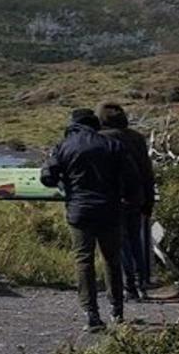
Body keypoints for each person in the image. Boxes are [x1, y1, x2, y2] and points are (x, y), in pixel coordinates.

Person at [41, 109, 142, 332]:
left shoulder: (65, 145)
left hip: (80, 211)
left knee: (84, 260)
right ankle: (117, 311)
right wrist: (126, 199)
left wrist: (64, 184)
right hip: (110, 210)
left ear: (74, 124)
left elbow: (47, 177)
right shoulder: (112, 145)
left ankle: (92, 314)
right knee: (112, 260)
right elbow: (132, 178)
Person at [98, 102, 155, 301]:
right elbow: (147, 172)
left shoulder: (100, 138)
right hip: (136, 197)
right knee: (135, 240)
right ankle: (142, 283)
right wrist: (149, 201)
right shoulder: (137, 138)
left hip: (113, 198)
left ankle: (129, 286)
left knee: (121, 244)